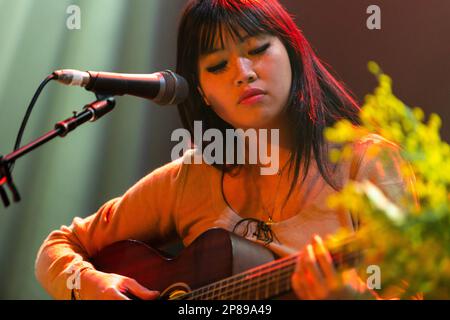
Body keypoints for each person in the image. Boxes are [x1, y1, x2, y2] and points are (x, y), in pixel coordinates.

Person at [35, 0, 415, 300]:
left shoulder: (366, 164)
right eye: (217, 65)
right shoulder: (191, 178)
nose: (243, 71)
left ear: (294, 52)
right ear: (201, 92)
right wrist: (89, 286)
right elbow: (58, 246)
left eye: (258, 48)